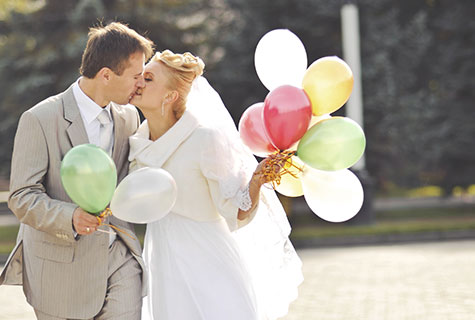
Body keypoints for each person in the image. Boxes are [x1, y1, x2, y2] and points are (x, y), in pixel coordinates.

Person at [129, 50, 303, 320]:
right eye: (141, 76)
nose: (138, 82)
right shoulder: (136, 144)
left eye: (148, 78)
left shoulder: (203, 139)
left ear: (170, 96)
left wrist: (257, 180)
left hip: (211, 263)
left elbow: (236, 212)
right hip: (163, 265)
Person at [0, 22, 154, 319]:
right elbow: (21, 195)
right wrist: (70, 216)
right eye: (136, 76)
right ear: (106, 75)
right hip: (61, 271)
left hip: (119, 258)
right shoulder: (40, 119)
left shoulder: (129, 117)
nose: (141, 84)